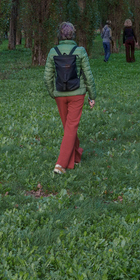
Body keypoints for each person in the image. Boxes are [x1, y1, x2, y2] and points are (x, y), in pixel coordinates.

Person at [45, 22, 96, 174]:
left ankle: (76, 156)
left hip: (59, 94)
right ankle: (60, 164)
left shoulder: (52, 52)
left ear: (59, 35)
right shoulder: (80, 51)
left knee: (68, 127)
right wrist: (92, 96)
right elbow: (88, 75)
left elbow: (47, 77)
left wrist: (53, 93)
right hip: (77, 94)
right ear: (73, 34)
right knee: (71, 127)